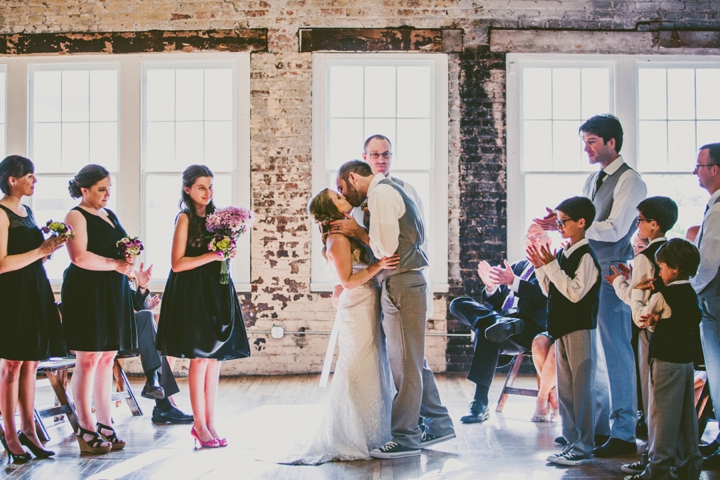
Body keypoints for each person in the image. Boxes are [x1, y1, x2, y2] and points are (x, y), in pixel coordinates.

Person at [535, 114, 647, 457]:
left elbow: (614, 229)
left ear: (612, 142)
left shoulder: (632, 182)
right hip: (584, 274)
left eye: (592, 141)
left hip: (611, 275)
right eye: (584, 141)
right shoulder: (591, 180)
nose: (586, 147)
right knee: (591, 355)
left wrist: (576, 228)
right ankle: (593, 429)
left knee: (616, 351)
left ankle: (624, 432)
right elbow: (589, 224)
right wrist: (561, 225)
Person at [334, 160, 455, 459]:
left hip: (402, 282)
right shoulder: (385, 193)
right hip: (404, 282)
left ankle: (406, 437)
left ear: (353, 177)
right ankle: (439, 424)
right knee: (412, 360)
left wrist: (358, 231)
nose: (344, 195)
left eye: (342, 188)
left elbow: (386, 250)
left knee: (404, 363)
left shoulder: (381, 195)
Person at [282, 188, 398, 464]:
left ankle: (374, 431)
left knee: (371, 363)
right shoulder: (336, 238)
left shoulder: (346, 233)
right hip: (357, 306)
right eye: (338, 197)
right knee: (359, 364)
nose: (344, 196)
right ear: (332, 210)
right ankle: (352, 433)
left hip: (366, 303)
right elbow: (347, 280)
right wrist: (379, 265)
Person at [155, 165, 251, 449]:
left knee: (215, 360)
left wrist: (227, 253)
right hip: (192, 292)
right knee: (200, 359)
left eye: (210, 187)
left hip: (217, 290)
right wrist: (213, 254)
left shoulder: (218, 218)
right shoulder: (184, 218)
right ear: (187, 189)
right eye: (201, 187)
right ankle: (198, 425)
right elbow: (177, 263)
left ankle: (210, 422)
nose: (207, 193)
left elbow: (220, 256)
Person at [62, 164, 137, 454]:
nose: (107, 194)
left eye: (109, 189)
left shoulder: (109, 215)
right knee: (88, 359)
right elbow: (79, 256)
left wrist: (127, 259)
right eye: (101, 189)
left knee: (107, 357)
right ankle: (85, 426)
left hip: (112, 289)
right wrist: (116, 264)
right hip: (86, 290)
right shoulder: (75, 215)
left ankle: (106, 423)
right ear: (84, 190)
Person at [0, 155, 67, 463]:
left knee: (30, 363)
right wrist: (39, 249)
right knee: (12, 365)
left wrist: (49, 250)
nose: (34, 181)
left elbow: (31, 257)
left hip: (35, 288)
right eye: (29, 176)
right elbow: (2, 263)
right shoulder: (1, 213)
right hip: (11, 293)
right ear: (12, 179)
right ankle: (10, 433)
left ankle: (29, 427)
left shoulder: (27, 212)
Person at [448, 223, 549, 423]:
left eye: (537, 237)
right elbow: (500, 301)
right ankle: (500, 322)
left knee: (487, 329)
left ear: (549, 240)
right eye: (527, 238)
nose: (531, 242)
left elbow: (543, 298)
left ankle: (479, 403)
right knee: (458, 304)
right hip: (502, 323)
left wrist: (514, 282)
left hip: (527, 328)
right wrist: (492, 287)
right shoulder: (520, 266)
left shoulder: (552, 267)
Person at [606, 197, 677, 475]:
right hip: (671, 330)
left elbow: (636, 303)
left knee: (650, 397)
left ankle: (652, 459)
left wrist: (620, 282)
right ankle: (672, 458)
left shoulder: (646, 257)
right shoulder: (673, 251)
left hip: (649, 332)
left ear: (654, 224)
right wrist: (633, 278)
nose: (637, 225)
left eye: (640, 221)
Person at [528, 196, 601, 466]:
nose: (558, 226)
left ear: (581, 223)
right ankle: (571, 441)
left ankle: (584, 446)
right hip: (561, 329)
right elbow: (551, 291)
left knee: (581, 390)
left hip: (579, 329)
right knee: (567, 390)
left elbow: (573, 293)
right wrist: (540, 268)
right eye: (557, 221)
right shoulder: (562, 254)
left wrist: (551, 266)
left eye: (564, 221)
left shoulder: (586, 257)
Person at [623, 238, 703, 480]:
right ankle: (689, 464)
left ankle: (657, 471)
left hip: (665, 362)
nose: (659, 272)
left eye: (662, 267)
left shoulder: (662, 296)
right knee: (686, 417)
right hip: (685, 362)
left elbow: (643, 318)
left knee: (661, 418)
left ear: (675, 269)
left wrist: (636, 289)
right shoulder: (691, 292)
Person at [118, 262, 194, 425]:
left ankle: (155, 385)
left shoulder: (129, 274)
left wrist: (143, 287)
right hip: (104, 331)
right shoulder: (97, 270)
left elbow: (135, 305)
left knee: (147, 318)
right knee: (148, 323)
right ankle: (159, 396)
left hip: (126, 328)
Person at [687, 143, 720, 466]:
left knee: (718, 369)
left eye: (699, 166)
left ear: (715, 169)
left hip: (714, 298)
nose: (695, 171)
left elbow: (710, 259)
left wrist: (688, 290)